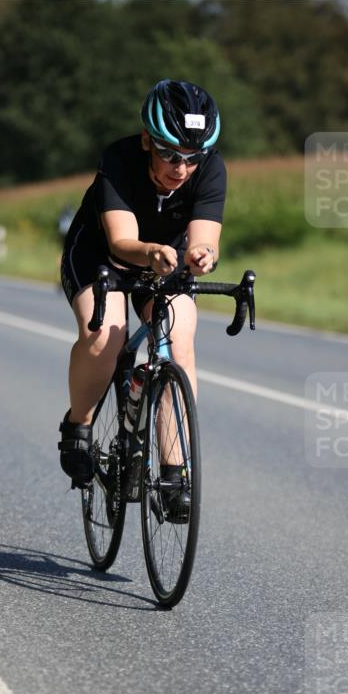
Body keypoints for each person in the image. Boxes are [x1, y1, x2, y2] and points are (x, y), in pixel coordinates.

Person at [58, 78, 226, 513]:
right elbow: (120, 242)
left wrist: (203, 256)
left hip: (165, 261)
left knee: (179, 337)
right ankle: (78, 424)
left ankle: (173, 474)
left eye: (193, 158)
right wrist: (150, 252)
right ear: (148, 140)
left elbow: (206, 238)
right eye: (170, 154)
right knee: (107, 337)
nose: (181, 168)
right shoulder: (119, 159)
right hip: (103, 256)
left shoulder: (210, 170)